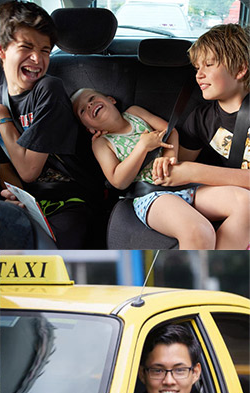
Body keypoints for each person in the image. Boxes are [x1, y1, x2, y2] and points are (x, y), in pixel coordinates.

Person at [71, 88, 250, 249]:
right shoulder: (102, 143)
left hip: (181, 183)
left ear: (111, 99)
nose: (90, 105)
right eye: (82, 110)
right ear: (89, 129)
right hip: (151, 195)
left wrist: (168, 161)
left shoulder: (134, 113)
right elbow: (118, 181)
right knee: (199, 231)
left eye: (92, 98)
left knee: (245, 202)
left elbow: (170, 131)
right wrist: (142, 146)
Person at [0, 1, 103, 249]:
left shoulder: (49, 90)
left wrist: (3, 121)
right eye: (27, 47)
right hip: (29, 199)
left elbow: (28, 171)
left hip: (69, 199)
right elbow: (5, 166)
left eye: (45, 50)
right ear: (2, 51)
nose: (37, 58)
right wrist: (10, 194)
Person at [153, 24, 249, 190]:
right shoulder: (201, 119)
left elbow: (189, 170)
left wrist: (194, 172)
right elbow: (178, 165)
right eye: (197, 67)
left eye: (209, 64)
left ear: (240, 69)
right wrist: (166, 164)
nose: (199, 74)